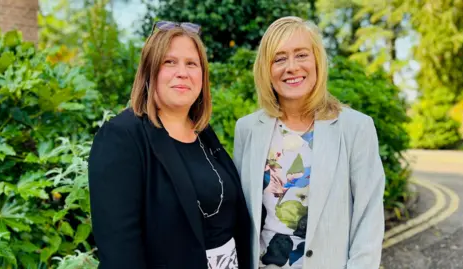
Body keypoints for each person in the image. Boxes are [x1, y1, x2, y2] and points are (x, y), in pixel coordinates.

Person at [88, 21, 251, 269]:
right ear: (149, 71)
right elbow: (120, 253)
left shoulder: (203, 133)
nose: (182, 72)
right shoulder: (121, 138)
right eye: (169, 62)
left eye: (192, 64)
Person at [233, 16, 385, 269]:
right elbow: (241, 214)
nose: (291, 67)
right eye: (279, 59)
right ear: (266, 70)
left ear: (317, 61)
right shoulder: (247, 129)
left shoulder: (356, 128)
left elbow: (369, 218)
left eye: (301, 55)